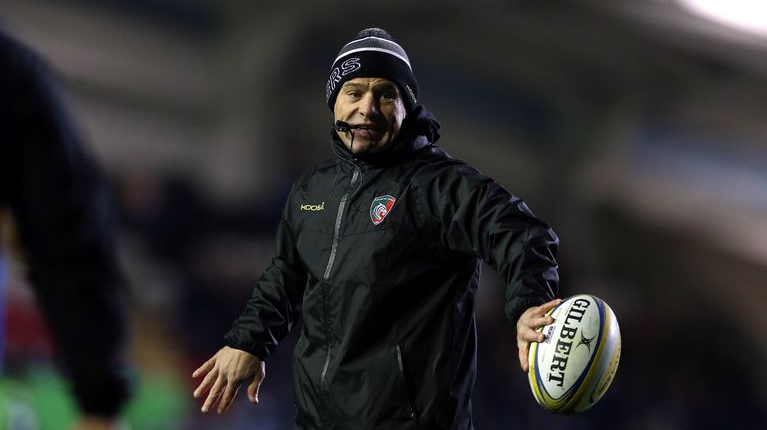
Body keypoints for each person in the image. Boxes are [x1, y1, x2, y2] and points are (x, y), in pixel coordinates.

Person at [193, 27, 560, 429]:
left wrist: (528, 303)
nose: (368, 108)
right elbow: (286, 276)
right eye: (354, 93)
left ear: (408, 106)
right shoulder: (312, 188)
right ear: (334, 102)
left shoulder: (439, 185)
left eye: (386, 94)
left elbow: (522, 233)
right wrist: (250, 341)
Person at [0, 28, 131, 430]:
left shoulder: (16, 82)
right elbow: (70, 241)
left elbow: (68, 241)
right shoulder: (17, 78)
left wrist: (98, 400)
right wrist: (99, 402)